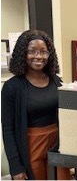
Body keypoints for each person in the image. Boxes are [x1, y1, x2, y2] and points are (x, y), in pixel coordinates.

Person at [1, 29, 71, 180]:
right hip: (31, 147)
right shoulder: (11, 87)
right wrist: (16, 168)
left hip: (58, 145)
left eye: (43, 52)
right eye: (32, 51)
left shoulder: (56, 81)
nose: (38, 56)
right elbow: (8, 130)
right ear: (22, 54)